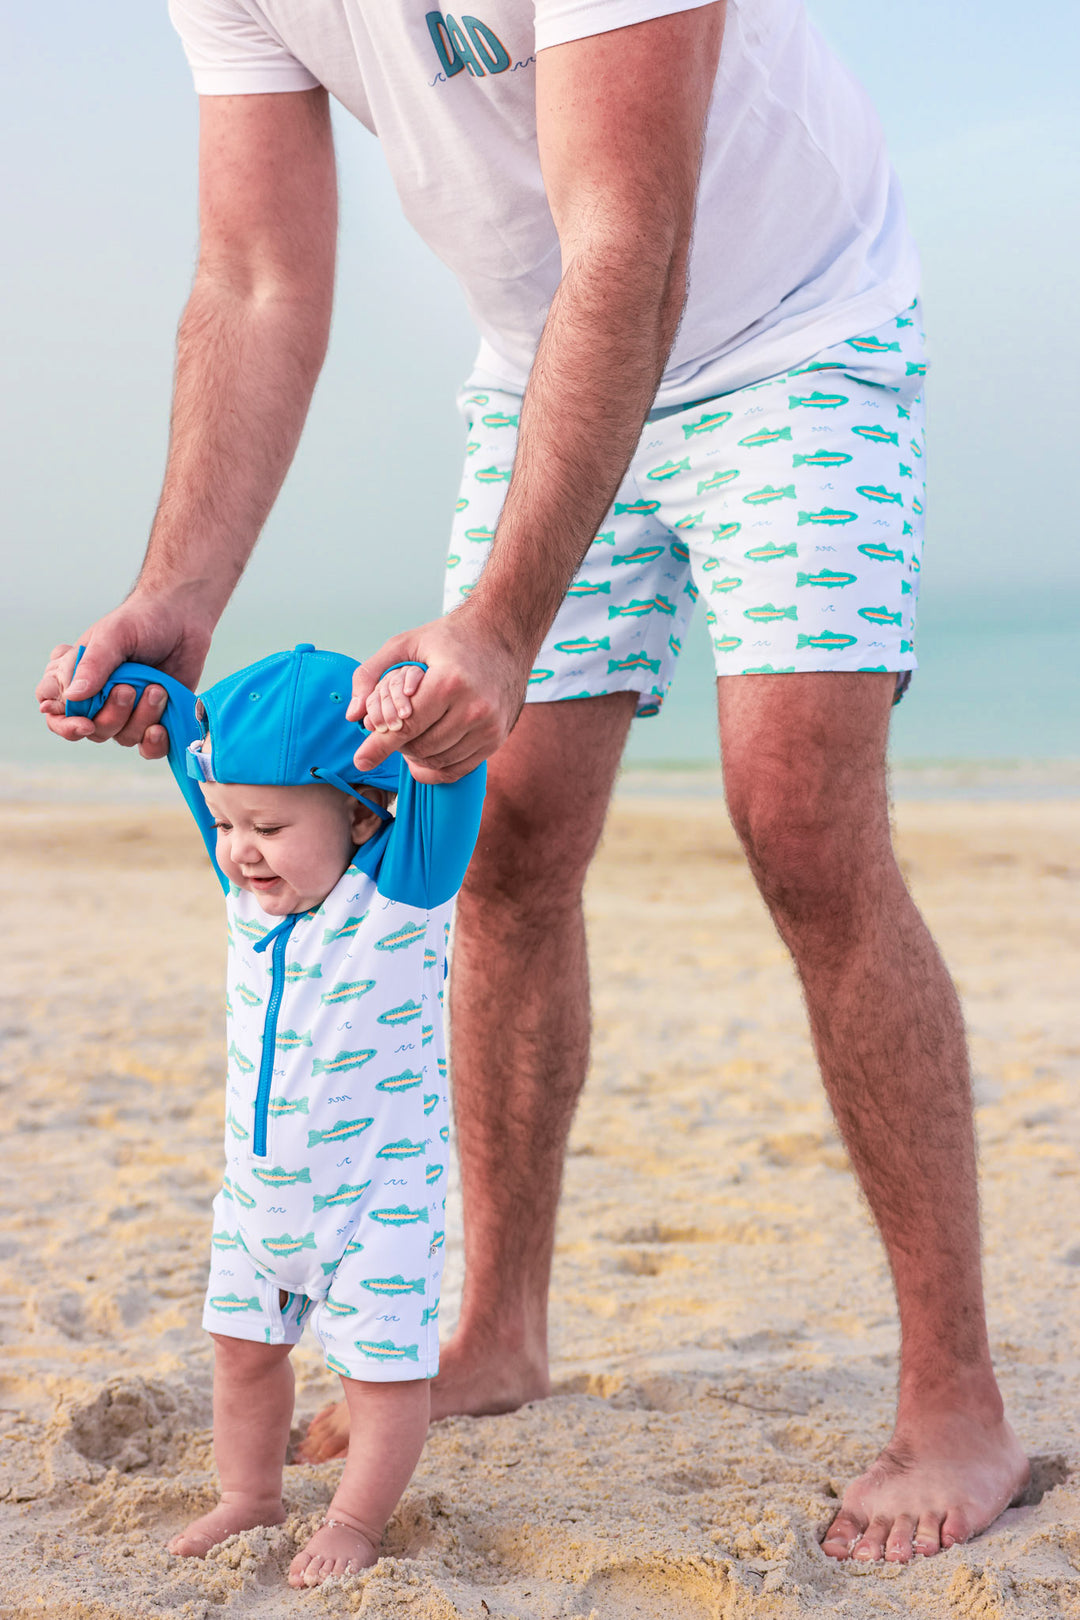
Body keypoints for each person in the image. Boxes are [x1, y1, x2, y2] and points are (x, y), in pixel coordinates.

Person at [37, 0, 1030, 1565]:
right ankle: (496, 1327)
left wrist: (501, 627)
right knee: (495, 840)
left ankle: (956, 1398)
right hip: (547, 356)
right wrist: (179, 590)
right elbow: (255, 273)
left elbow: (634, 238)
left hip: (793, 333)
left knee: (798, 819)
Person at [67, 645, 485, 1586]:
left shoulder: (403, 896)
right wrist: (127, 689)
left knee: (381, 1376)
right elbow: (184, 742)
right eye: (225, 823)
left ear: (357, 807)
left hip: (375, 1200)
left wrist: (413, 715)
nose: (238, 847)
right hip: (258, 1194)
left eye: (267, 824)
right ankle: (250, 1496)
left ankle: (354, 1519)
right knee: (242, 1352)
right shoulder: (252, 900)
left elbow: (454, 773)